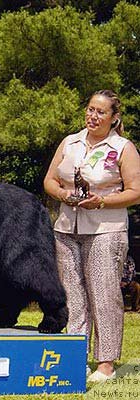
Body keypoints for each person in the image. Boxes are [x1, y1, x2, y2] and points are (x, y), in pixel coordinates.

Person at [44, 90, 140, 383]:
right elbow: (49, 180)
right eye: (90, 110)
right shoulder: (69, 142)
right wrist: (62, 194)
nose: (93, 116)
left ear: (113, 118)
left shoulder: (123, 147)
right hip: (66, 228)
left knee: (104, 295)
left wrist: (101, 201)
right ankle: (77, 359)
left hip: (105, 230)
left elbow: (135, 191)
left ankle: (106, 364)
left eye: (100, 112)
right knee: (73, 296)